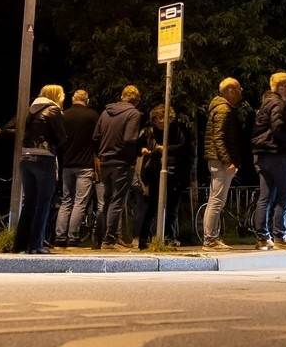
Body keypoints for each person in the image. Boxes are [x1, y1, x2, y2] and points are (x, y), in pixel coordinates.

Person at [13, 85, 66, 254]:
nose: (64, 97)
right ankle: (36, 245)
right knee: (43, 203)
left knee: (29, 201)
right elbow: (61, 137)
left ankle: (19, 244)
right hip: (44, 158)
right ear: (56, 95)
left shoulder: (31, 109)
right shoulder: (53, 110)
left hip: (26, 157)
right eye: (63, 94)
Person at [252, 71, 286, 250]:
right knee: (285, 197)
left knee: (265, 197)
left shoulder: (266, 102)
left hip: (261, 154)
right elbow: (278, 128)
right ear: (281, 87)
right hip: (276, 154)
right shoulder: (278, 104)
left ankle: (263, 238)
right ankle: (280, 236)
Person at [94, 85, 143, 250]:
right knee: (117, 201)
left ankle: (100, 239)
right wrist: (134, 156)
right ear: (136, 100)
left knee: (106, 200)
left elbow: (96, 136)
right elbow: (130, 139)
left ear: (121, 96)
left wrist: (102, 152)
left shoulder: (105, 112)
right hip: (121, 162)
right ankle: (109, 241)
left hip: (104, 161)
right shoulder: (133, 114)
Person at [134, 104, 187, 249]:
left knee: (171, 208)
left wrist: (166, 149)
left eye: (160, 120)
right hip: (155, 170)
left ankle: (169, 238)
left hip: (173, 171)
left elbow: (184, 147)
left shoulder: (176, 130)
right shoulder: (149, 131)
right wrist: (143, 149)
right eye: (156, 120)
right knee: (152, 205)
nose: (159, 123)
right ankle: (144, 239)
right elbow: (137, 146)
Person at [203, 77, 245, 251]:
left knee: (216, 199)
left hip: (217, 159)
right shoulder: (223, 110)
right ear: (230, 91)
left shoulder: (219, 108)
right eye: (238, 88)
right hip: (220, 161)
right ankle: (210, 239)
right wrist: (228, 161)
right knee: (217, 200)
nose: (241, 91)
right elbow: (219, 137)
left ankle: (211, 237)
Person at [54, 89, 98, 247]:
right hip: (85, 165)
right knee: (80, 202)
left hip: (67, 164)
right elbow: (96, 139)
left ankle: (59, 236)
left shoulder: (64, 115)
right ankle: (73, 237)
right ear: (87, 100)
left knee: (66, 200)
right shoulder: (92, 116)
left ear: (73, 99)